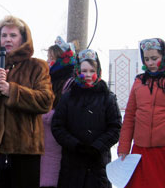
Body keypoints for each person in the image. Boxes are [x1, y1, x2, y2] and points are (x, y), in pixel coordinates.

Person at [0, 15, 54, 188]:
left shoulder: (37, 66)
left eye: (13, 35)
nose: (7, 39)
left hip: (25, 150)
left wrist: (13, 91)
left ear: (22, 38)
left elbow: (46, 101)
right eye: (4, 35)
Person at [51, 49, 122, 188]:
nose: (88, 75)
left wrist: (98, 146)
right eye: (84, 70)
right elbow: (58, 126)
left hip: (98, 163)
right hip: (72, 162)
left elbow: (115, 127)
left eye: (91, 70)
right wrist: (75, 145)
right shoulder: (68, 97)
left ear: (98, 70)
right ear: (77, 71)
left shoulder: (107, 98)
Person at [117, 38, 165, 188]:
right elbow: (130, 116)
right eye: (146, 59)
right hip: (140, 152)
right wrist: (124, 147)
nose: (150, 63)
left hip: (162, 151)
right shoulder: (139, 82)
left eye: (154, 58)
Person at [40, 36, 76, 188]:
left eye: (51, 58)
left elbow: (67, 112)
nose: (48, 62)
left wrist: (43, 115)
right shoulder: (48, 80)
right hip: (44, 139)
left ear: (62, 60)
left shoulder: (70, 82)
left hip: (57, 140)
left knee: (52, 179)